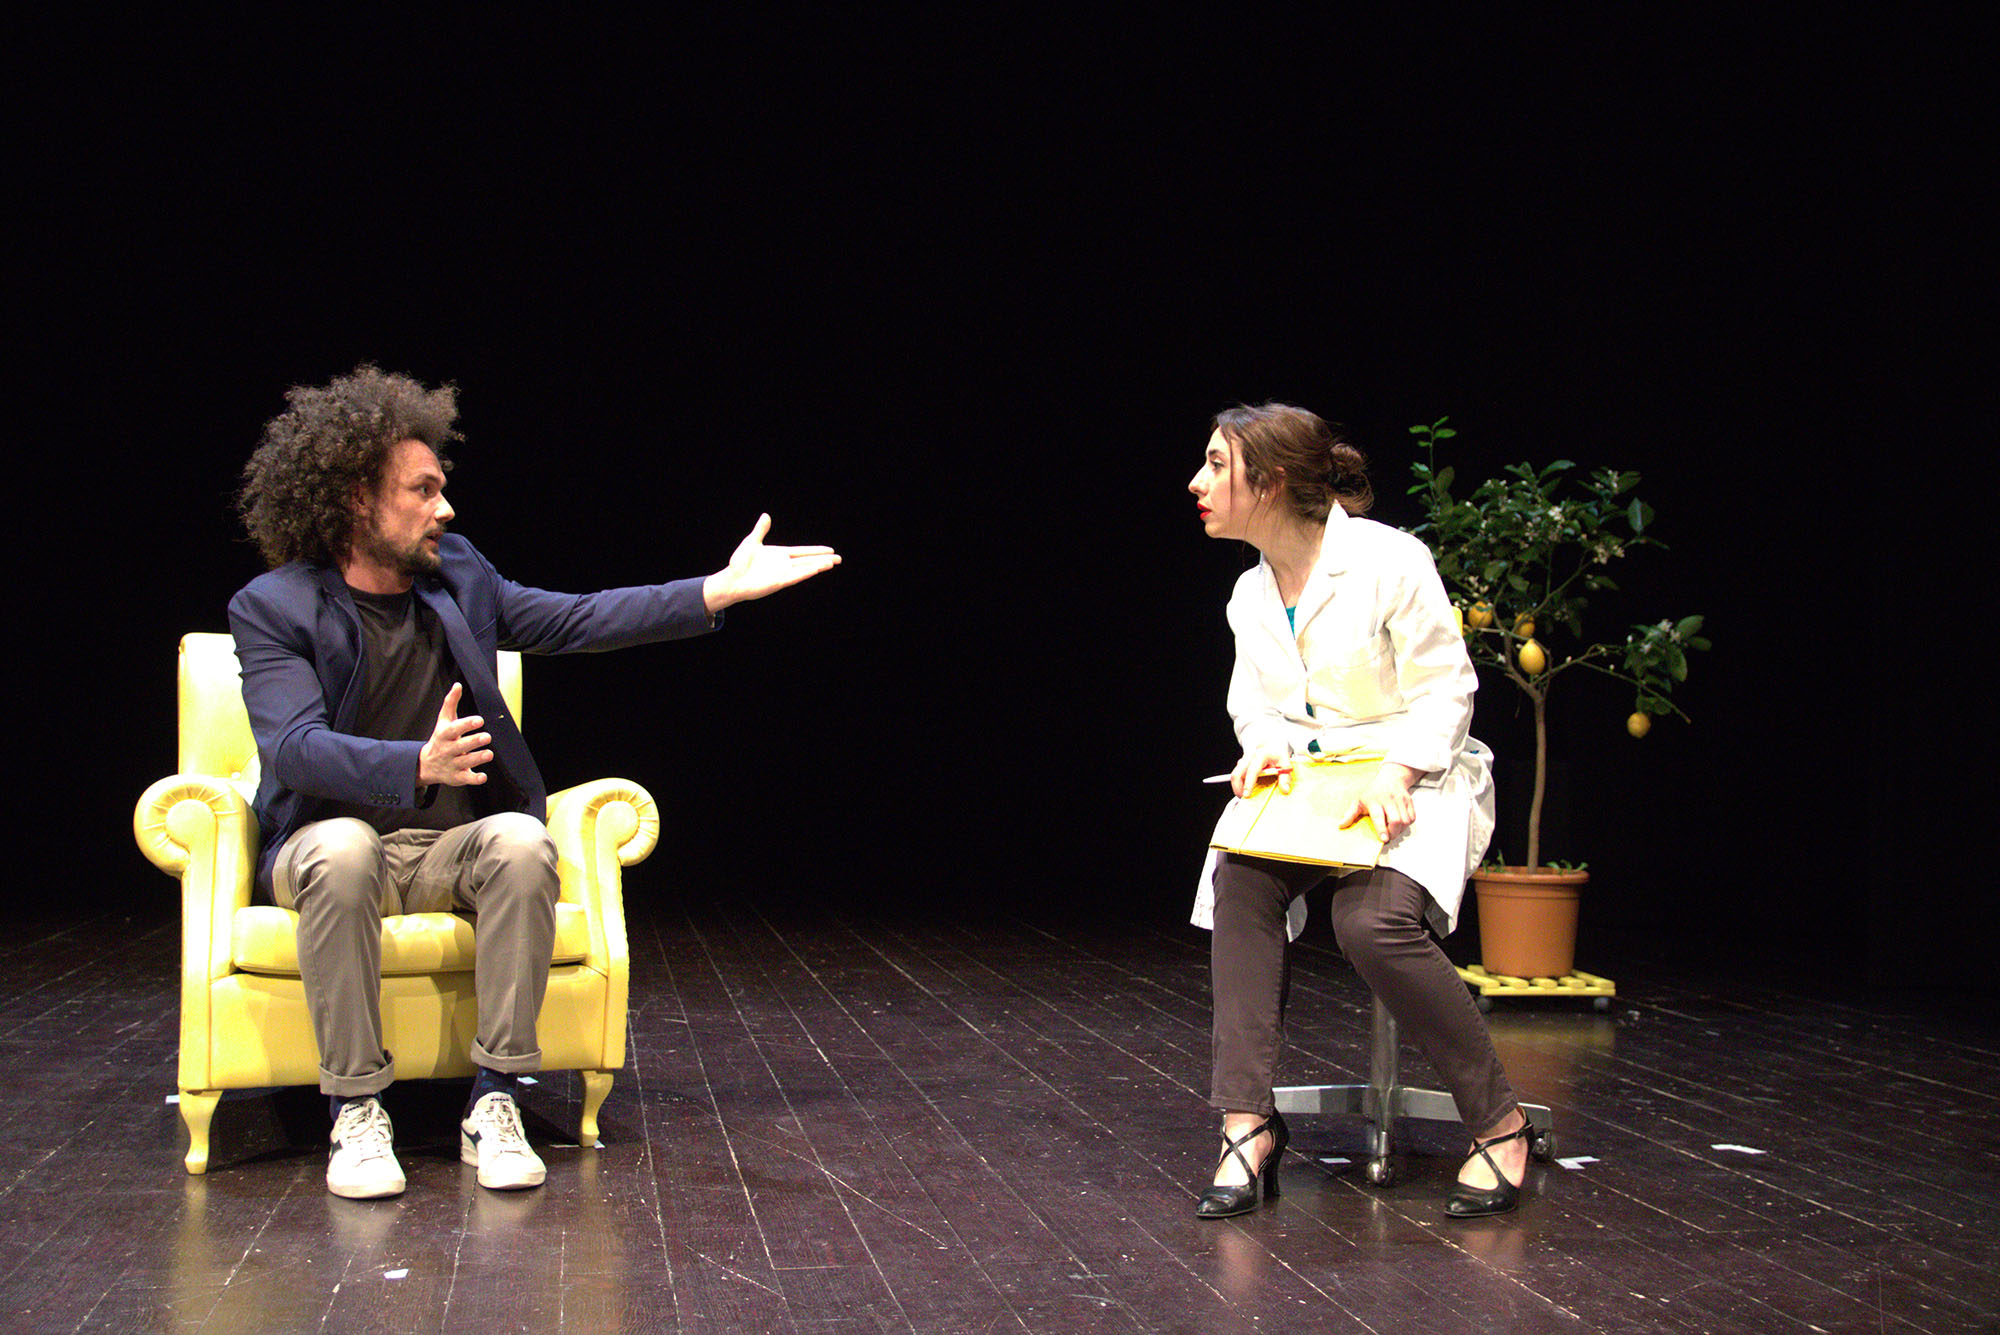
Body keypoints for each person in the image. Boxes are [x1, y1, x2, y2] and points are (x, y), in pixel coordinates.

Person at [229, 365, 839, 1200]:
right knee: (343, 847)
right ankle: (356, 1109)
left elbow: (576, 617)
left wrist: (712, 591)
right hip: (326, 849)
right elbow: (295, 747)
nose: (446, 508)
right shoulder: (274, 605)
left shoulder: (458, 574)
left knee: (521, 839)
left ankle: (496, 1099)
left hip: (442, 849)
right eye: (423, 490)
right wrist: (413, 765)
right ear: (357, 499)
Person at [1186, 402, 1531, 1219]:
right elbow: (1255, 706)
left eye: (1217, 465)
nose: (1197, 482)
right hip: (1310, 786)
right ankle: (1247, 1123)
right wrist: (1262, 746)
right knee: (1241, 880)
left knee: (1369, 922)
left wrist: (1400, 770)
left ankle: (1500, 1123)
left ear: (1270, 483)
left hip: (1411, 776)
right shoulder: (1248, 593)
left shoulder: (1389, 561)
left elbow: (1447, 689)